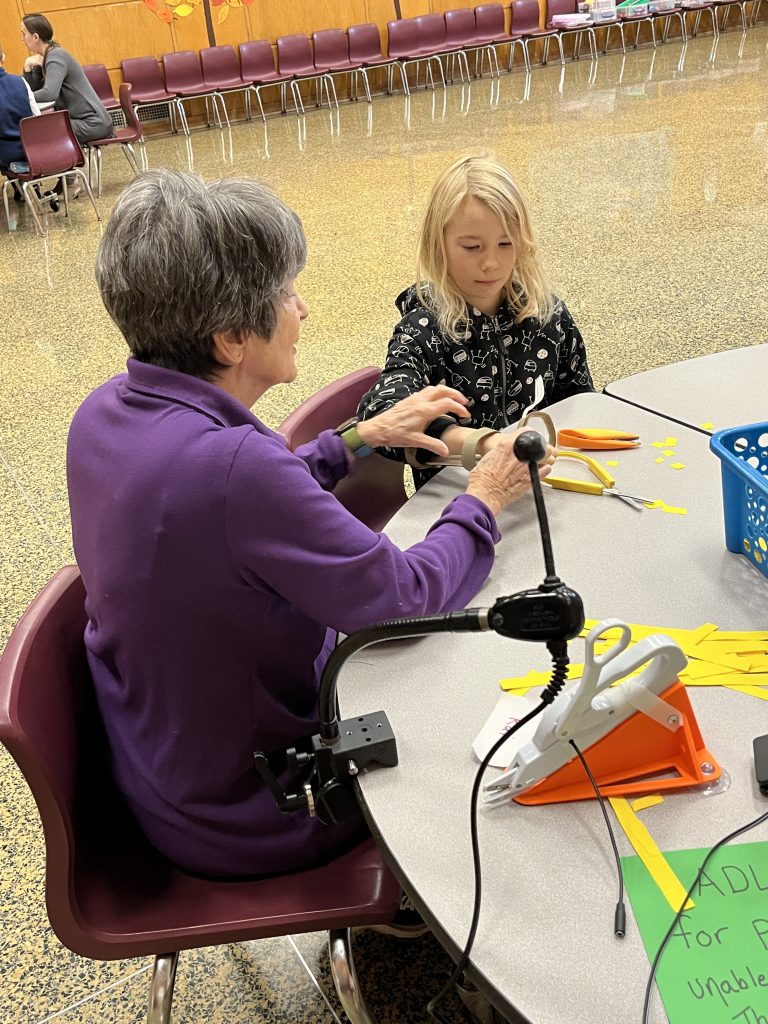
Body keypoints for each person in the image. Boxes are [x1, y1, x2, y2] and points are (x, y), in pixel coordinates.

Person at [67, 169, 555, 881]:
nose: (304, 307)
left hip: (163, 769)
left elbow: (237, 507)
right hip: (258, 809)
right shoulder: (233, 469)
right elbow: (408, 597)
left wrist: (358, 438)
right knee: (499, 708)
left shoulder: (104, 412)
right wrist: (483, 497)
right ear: (233, 337)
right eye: (288, 294)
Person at [358, 154, 594, 488]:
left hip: (540, 488)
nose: (491, 264)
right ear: (438, 245)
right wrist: (486, 444)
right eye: (472, 247)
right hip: (460, 508)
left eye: (505, 244)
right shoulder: (423, 330)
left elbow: (580, 402)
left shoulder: (549, 315)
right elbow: (380, 414)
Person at [21, 14, 112, 152]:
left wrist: (21, 98)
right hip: (82, 121)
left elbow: (49, 94)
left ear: (35, 37)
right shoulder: (47, 56)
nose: (22, 39)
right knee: (45, 128)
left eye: (24, 34)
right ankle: (67, 171)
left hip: (94, 123)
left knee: (45, 132)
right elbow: (35, 89)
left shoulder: (56, 56)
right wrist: (28, 68)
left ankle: (69, 172)